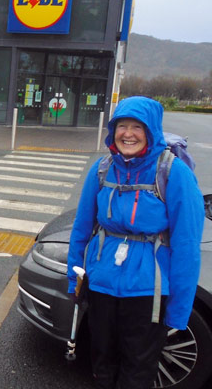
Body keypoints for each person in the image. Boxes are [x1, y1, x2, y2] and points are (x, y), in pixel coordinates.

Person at [67, 96, 203, 389]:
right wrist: (74, 279)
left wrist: (179, 310)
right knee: (101, 363)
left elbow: (187, 247)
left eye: (137, 127)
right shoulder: (103, 169)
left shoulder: (173, 173)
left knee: (138, 370)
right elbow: (81, 228)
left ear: (151, 130)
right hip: (101, 285)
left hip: (147, 292)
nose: (128, 133)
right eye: (121, 126)